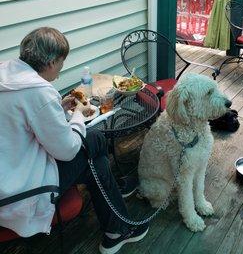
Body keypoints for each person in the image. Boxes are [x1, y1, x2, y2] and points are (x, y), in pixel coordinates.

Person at [0, 27, 148, 254]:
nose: (59, 72)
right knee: (96, 146)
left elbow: (19, 124)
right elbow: (67, 151)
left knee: (95, 158)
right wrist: (79, 113)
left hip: (9, 174)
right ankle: (116, 227)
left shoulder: (7, 74)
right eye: (61, 65)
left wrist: (56, 107)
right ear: (51, 62)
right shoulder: (38, 91)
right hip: (19, 193)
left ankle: (117, 228)